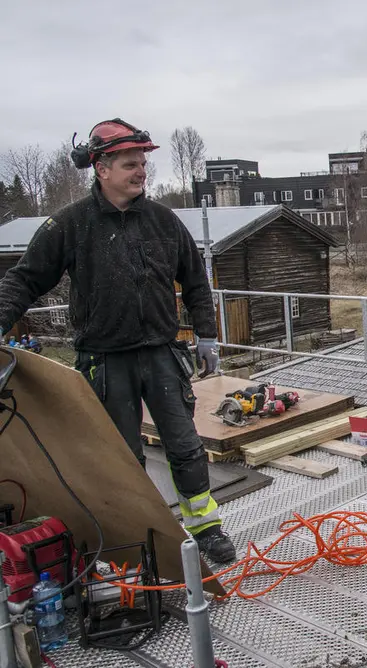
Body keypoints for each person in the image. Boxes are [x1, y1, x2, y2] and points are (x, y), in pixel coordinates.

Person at [0, 118, 235, 562]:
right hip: (105, 361)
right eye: (131, 164)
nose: (141, 172)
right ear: (101, 168)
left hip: (163, 354)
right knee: (122, 456)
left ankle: (205, 527)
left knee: (185, 445)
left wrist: (207, 334)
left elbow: (196, 282)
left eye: (143, 163)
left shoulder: (164, 221)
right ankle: (147, 537)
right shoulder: (69, 225)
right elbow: (23, 281)